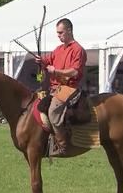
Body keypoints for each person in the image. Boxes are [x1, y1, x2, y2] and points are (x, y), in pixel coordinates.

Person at [36, 18, 87, 154]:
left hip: (69, 87)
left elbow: (75, 71)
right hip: (54, 88)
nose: (58, 36)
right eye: (57, 33)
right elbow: (47, 61)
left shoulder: (78, 50)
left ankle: (62, 146)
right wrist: (40, 61)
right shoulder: (58, 49)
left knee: (53, 111)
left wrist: (56, 71)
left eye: (61, 33)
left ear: (69, 30)